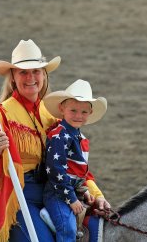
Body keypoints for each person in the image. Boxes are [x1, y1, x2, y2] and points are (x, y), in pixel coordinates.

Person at [0, 39, 61, 241]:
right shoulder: (0, 115)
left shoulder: (55, 113)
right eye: (23, 72)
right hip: (14, 195)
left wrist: (95, 194)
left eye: (36, 71)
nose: (31, 77)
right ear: (12, 78)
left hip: (51, 190)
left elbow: (73, 159)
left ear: (44, 75)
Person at [42, 79, 112, 242]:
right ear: (62, 109)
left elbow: (78, 171)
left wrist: (84, 190)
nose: (78, 116)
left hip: (71, 190)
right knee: (67, 228)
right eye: (73, 110)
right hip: (57, 193)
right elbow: (55, 170)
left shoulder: (78, 137)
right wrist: (71, 199)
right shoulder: (60, 136)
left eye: (83, 112)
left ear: (90, 113)